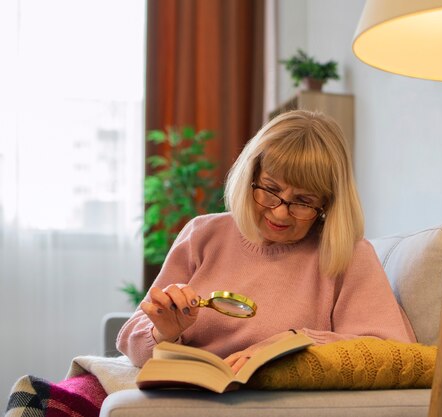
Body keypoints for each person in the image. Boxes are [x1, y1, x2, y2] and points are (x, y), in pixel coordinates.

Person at [117, 110, 416, 370]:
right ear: (251, 177)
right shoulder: (202, 234)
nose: (281, 213)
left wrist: (293, 345)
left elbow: (390, 350)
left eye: (303, 201)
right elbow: (131, 339)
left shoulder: (347, 255)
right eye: (270, 189)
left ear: (328, 203)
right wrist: (163, 333)